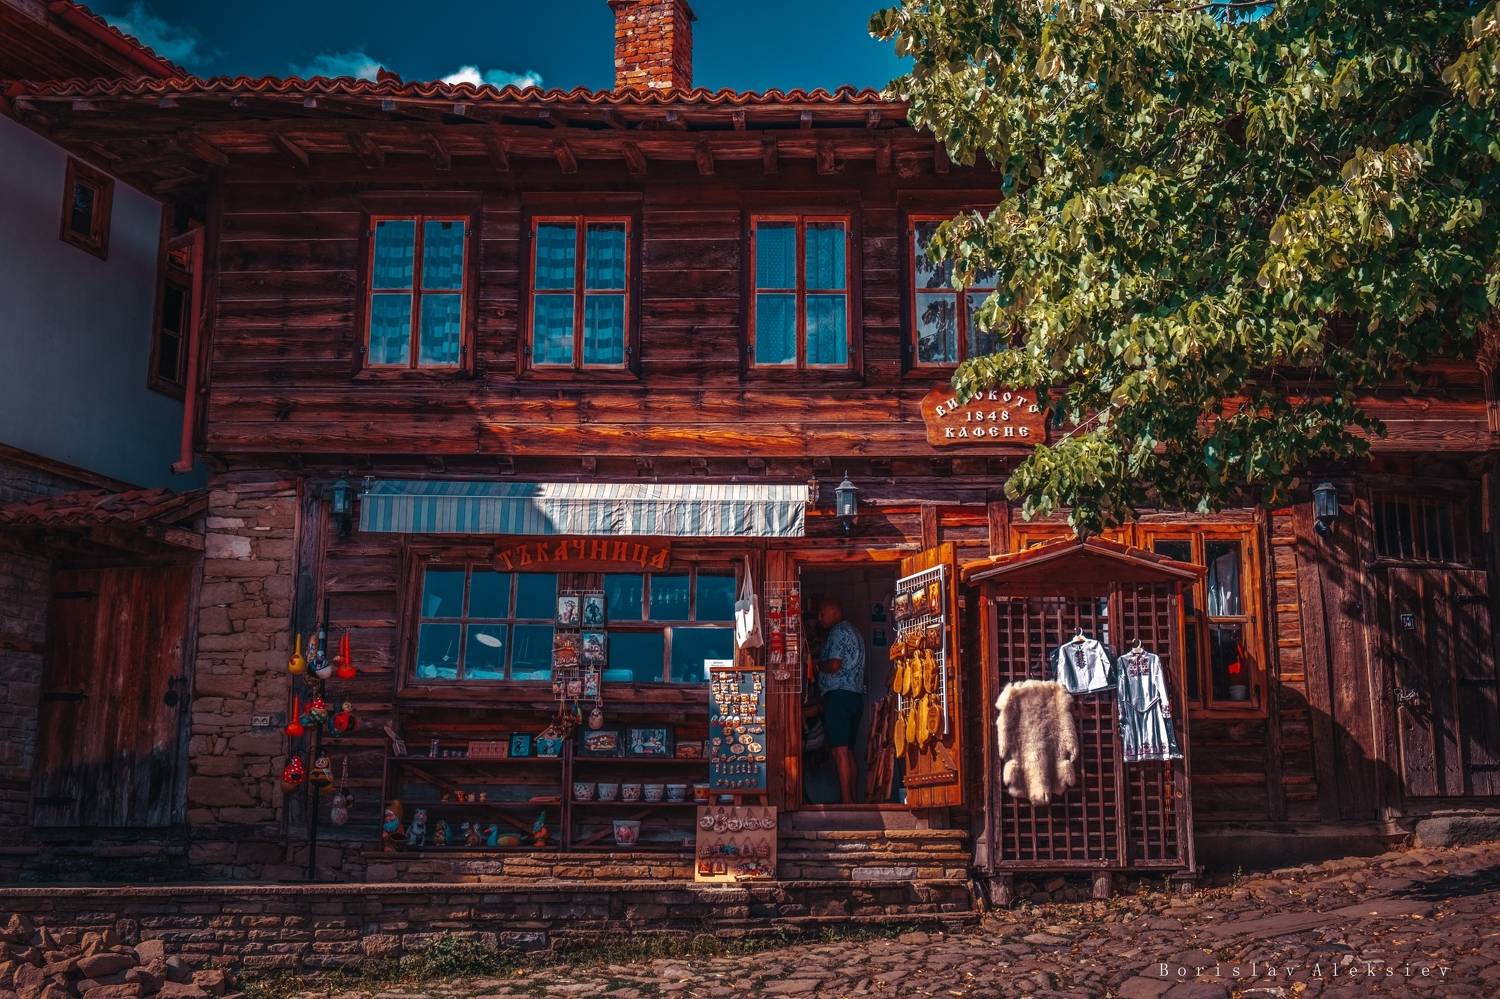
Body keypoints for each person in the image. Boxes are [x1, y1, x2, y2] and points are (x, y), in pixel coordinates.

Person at [811, 598, 865, 803]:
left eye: (821, 614)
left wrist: (816, 666)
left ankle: (846, 802)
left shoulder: (838, 632)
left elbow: (834, 665)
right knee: (848, 751)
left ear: (833, 612)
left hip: (839, 696)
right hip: (855, 696)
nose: (819, 619)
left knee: (839, 751)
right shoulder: (854, 632)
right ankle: (853, 799)